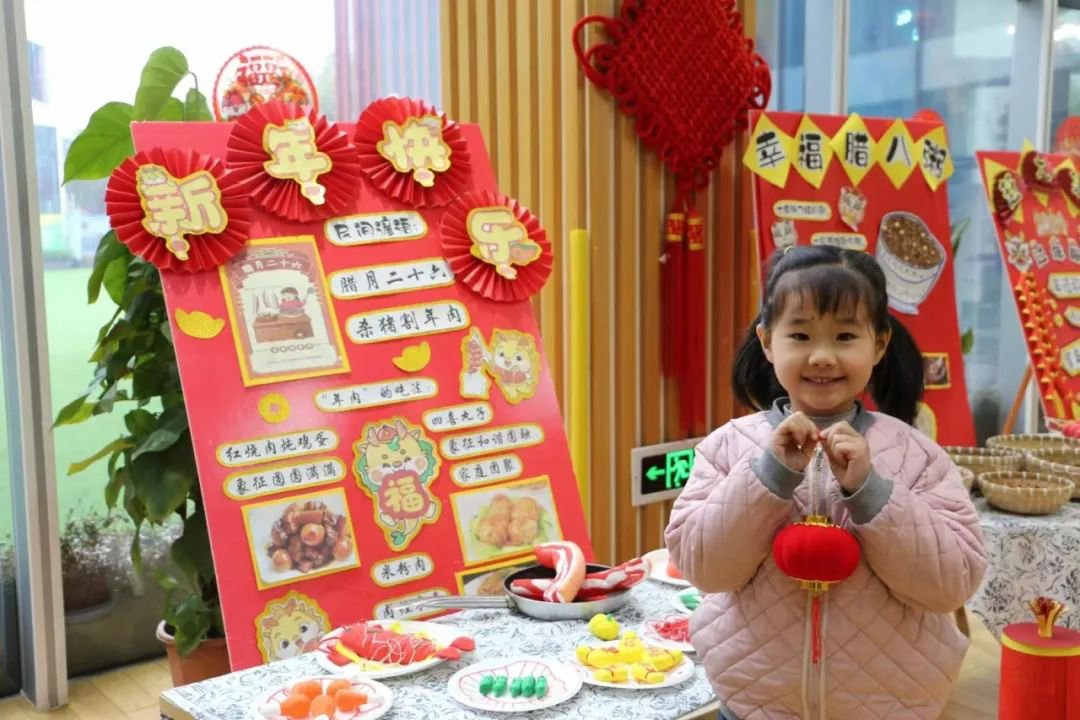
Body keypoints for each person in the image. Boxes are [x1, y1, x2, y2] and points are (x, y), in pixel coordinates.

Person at [664, 245, 986, 720]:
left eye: (845, 336)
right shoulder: (727, 447)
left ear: (879, 344)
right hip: (756, 702)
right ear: (768, 342)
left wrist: (871, 492)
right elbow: (705, 569)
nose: (821, 356)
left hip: (888, 705)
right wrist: (768, 477)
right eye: (800, 335)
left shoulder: (915, 455)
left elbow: (951, 585)